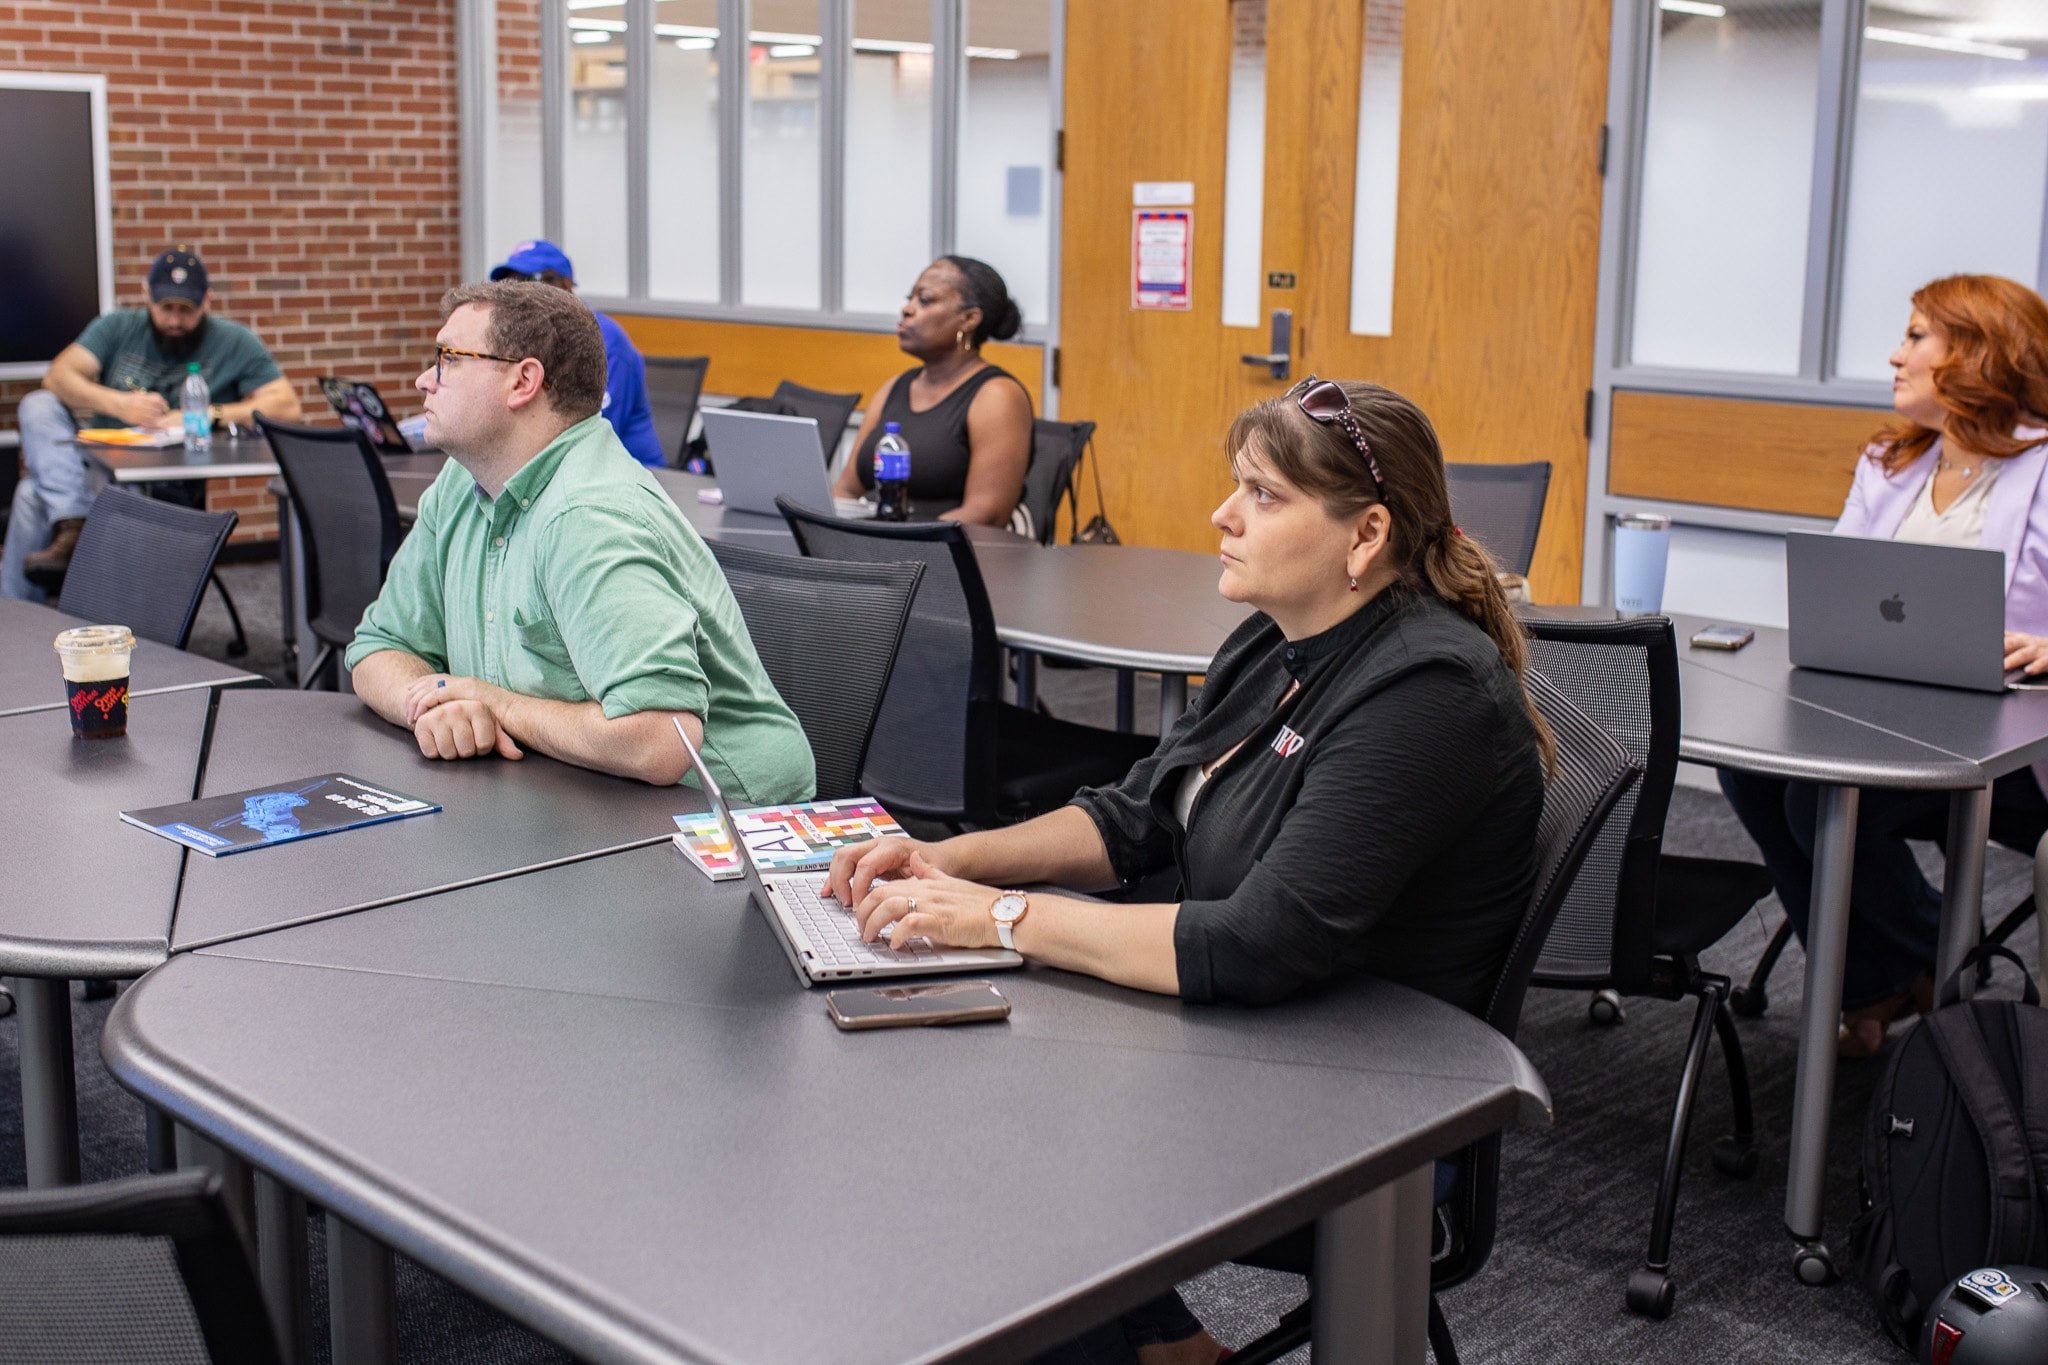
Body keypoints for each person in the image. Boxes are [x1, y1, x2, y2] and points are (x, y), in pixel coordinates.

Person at [822, 378, 1551, 1365]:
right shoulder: (1281, 639)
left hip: (1355, 1094)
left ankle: (1133, 1343)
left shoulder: (1428, 691)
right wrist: (947, 858)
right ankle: (1160, 1340)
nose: (1222, 514)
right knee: (944, 1084)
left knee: (982, 1142)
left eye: (1263, 495)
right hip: (1248, 1030)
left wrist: (997, 917)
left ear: (1366, 534)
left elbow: (1256, 942)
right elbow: (1138, 814)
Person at [1719, 273, 2048, 1057]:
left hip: (2014, 755)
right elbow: (1840, 591)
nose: (1896, 356)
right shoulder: (1891, 462)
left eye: (1915, 337)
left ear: (1977, 354)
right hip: (1897, 728)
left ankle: (1924, 957)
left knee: (1817, 802)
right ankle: (1892, 973)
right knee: (1754, 772)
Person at [346, 280, 815, 804]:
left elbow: (661, 741)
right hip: (575, 790)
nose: (424, 380)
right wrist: (436, 706)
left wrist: (497, 705)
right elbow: (377, 648)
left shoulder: (589, 516)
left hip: (720, 814)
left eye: (449, 359)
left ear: (523, 381)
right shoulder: (462, 482)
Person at [3, 246, 302, 599]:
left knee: (30, 494)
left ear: (207, 300)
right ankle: (70, 524)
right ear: (147, 295)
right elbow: (58, 377)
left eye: (186, 310)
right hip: (100, 468)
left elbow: (286, 406)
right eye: (165, 308)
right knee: (37, 405)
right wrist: (120, 405)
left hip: (163, 483)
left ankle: (68, 536)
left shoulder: (234, 340)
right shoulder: (116, 327)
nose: (174, 320)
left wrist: (209, 414)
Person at [833, 256, 1034, 526]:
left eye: (925, 300)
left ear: (969, 319)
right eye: (910, 299)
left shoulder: (997, 396)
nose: (907, 309)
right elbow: (846, 489)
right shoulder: (895, 387)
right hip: (881, 541)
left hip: (953, 547)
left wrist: (897, 541)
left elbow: (986, 514)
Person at [489, 239, 666, 469]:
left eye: (530, 280)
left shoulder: (605, 340)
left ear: (565, 285)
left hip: (630, 473)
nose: (520, 294)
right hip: (568, 466)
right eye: (511, 283)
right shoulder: (532, 337)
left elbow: (589, 431)